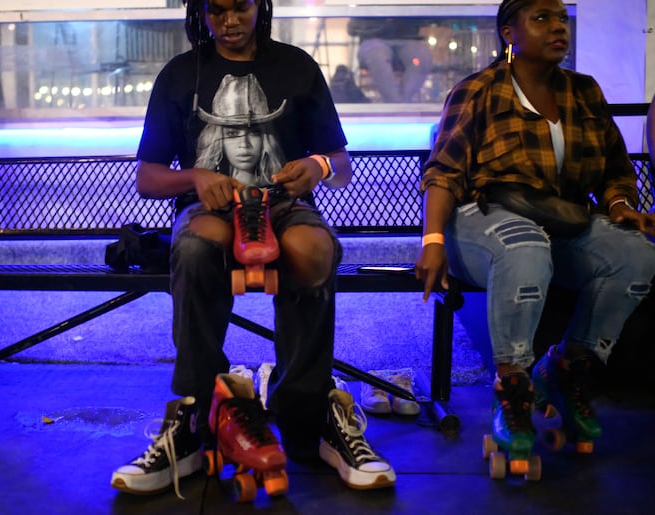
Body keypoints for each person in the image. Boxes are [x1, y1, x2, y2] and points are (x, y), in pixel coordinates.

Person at [111, 0, 394, 497]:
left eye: (239, 7)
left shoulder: (297, 66)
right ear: (201, 13)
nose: (229, 21)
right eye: (215, 10)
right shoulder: (179, 74)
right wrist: (196, 177)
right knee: (197, 248)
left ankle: (306, 411)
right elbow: (147, 178)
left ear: (259, 6)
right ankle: (200, 411)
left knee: (315, 251)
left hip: (285, 205)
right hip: (209, 209)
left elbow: (341, 166)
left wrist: (317, 167)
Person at [416, 0, 655, 465]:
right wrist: (432, 241)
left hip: (563, 220)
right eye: (541, 18)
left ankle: (567, 369)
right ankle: (513, 388)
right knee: (525, 247)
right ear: (510, 33)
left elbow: (615, 169)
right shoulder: (479, 90)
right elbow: (443, 173)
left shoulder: (584, 92)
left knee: (636, 257)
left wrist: (622, 206)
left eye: (561, 18)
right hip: (482, 218)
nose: (557, 27)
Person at [348, 17, 433, 103]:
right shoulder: (366, 3)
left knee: (421, 57)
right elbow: (352, 28)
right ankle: (396, 105)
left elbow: (427, 18)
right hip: (373, 39)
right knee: (377, 57)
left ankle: (403, 103)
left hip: (408, 38)